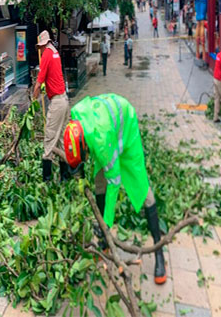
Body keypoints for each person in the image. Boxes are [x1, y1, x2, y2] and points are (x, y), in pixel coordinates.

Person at [63, 93, 167, 284]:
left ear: (85, 145)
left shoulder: (101, 144)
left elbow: (115, 183)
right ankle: (104, 243)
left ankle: (159, 252)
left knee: (143, 190)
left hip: (126, 128)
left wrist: (107, 224)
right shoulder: (76, 116)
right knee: (98, 183)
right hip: (106, 130)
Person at [32, 30, 70, 183]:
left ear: (42, 44)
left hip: (57, 103)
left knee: (49, 139)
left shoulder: (47, 54)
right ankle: (65, 178)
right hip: (64, 100)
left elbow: (38, 82)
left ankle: (46, 182)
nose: (39, 50)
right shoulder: (55, 53)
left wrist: (33, 101)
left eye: (40, 47)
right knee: (61, 139)